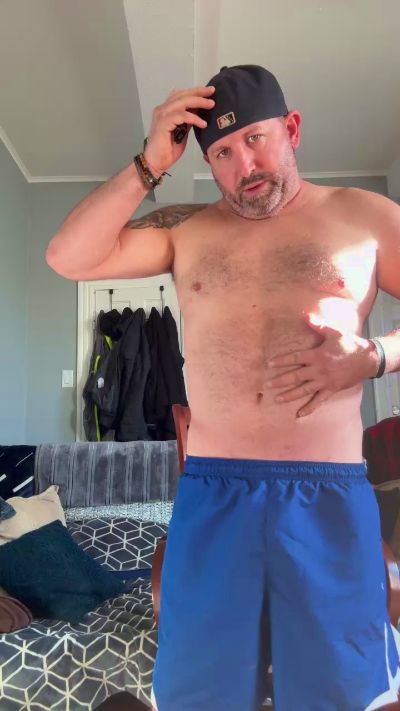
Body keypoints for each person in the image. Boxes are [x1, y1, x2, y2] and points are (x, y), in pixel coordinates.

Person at [46, 64, 400, 711]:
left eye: (256, 139)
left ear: (292, 129)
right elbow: (68, 257)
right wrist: (149, 165)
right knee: (200, 692)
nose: (245, 165)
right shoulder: (188, 229)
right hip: (214, 495)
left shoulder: (364, 215)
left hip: (326, 492)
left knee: (339, 692)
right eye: (223, 154)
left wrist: (374, 356)